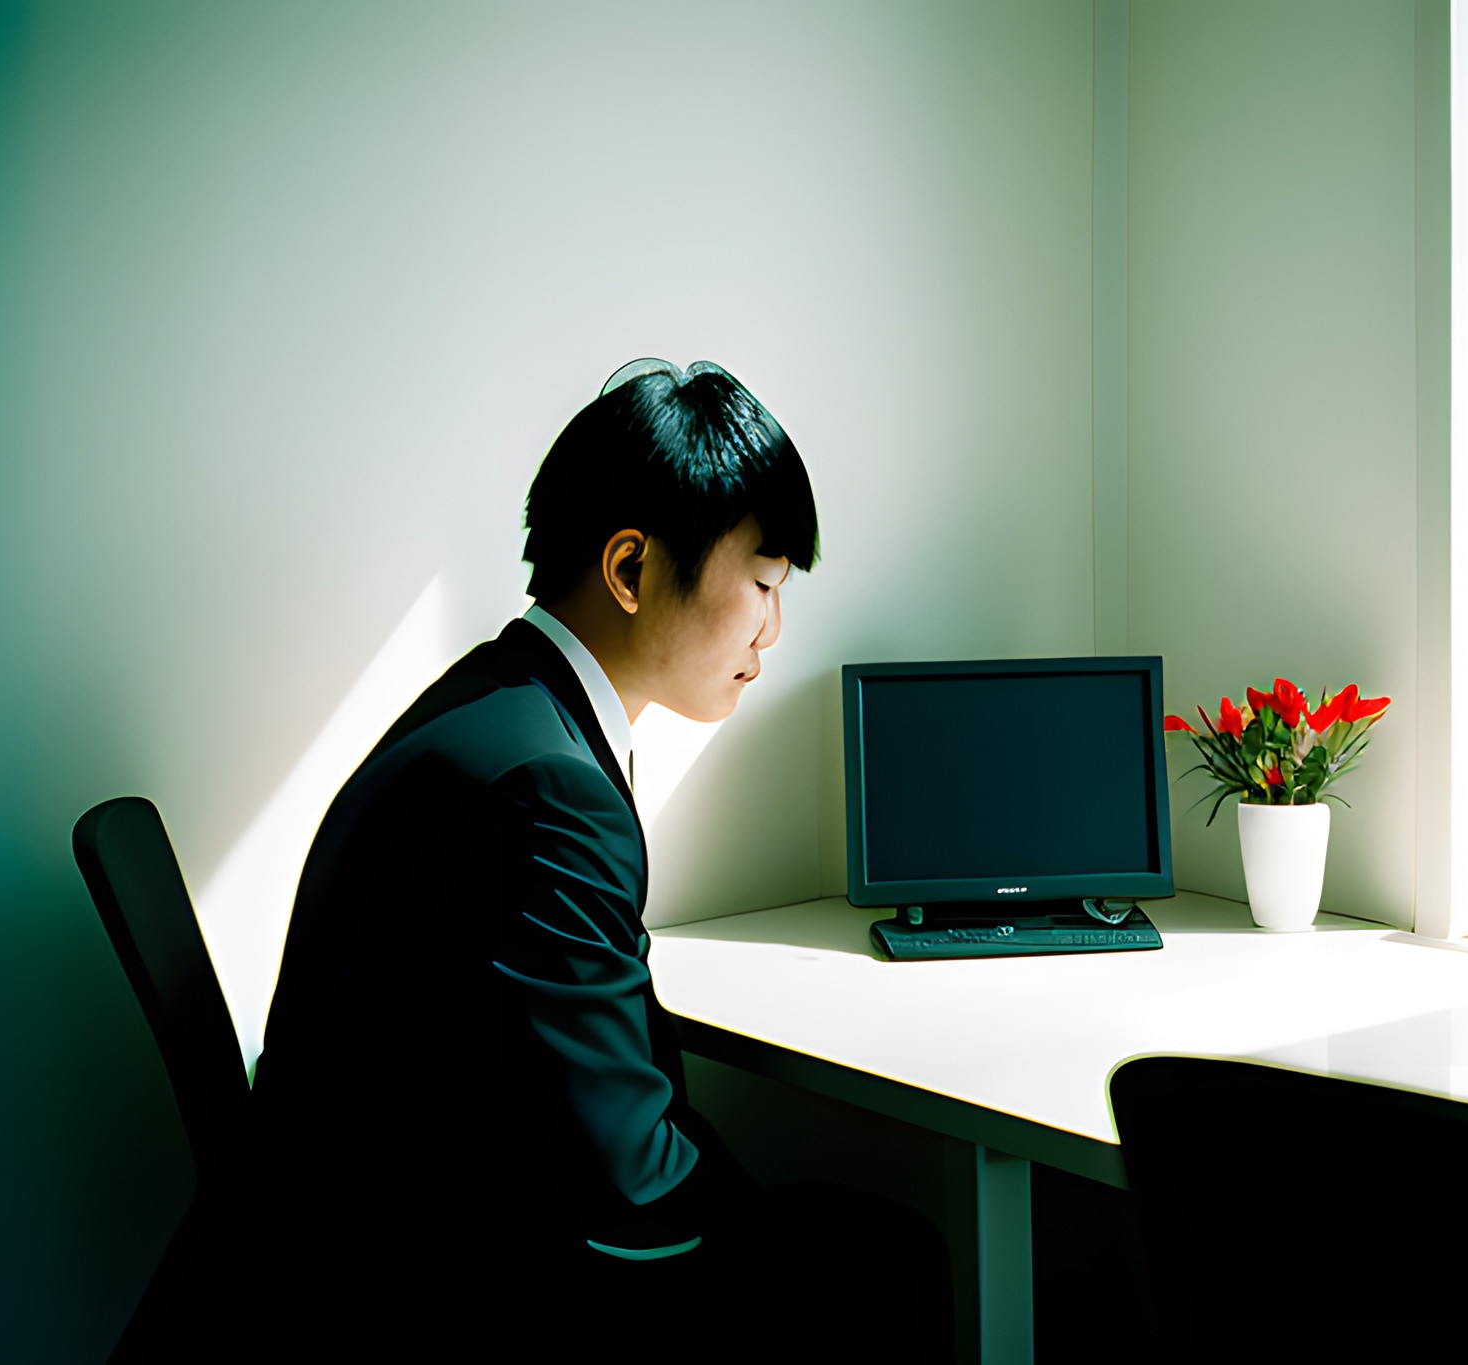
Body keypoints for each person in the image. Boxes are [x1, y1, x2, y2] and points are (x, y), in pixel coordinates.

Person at [197, 360, 951, 1360]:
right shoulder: (551, 790)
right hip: (454, 1287)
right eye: (763, 583)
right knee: (892, 1259)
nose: (773, 628)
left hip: (364, 1237)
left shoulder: (494, 700)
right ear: (631, 570)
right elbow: (624, 1184)